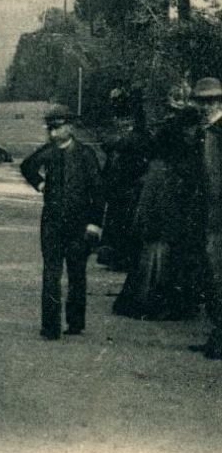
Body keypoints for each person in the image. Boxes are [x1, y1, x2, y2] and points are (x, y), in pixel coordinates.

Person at [113, 88, 204, 321]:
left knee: (154, 254)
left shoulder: (159, 163)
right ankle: (159, 302)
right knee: (163, 253)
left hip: (158, 206)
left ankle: (147, 299)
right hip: (165, 210)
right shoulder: (172, 165)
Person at [20, 103, 104, 339]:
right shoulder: (48, 152)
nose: (53, 133)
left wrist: (94, 224)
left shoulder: (86, 155)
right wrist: (40, 183)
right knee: (51, 273)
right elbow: (27, 166)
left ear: (70, 127)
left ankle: (75, 322)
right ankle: (50, 327)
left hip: (80, 224)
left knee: (77, 273)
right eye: (50, 129)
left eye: (58, 128)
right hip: (52, 223)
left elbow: (98, 192)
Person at [96, 88, 151, 271]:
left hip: (128, 183)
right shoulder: (136, 133)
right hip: (120, 182)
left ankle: (119, 256)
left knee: (121, 220)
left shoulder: (136, 136)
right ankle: (116, 255)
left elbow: (120, 144)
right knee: (118, 219)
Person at [193, 77, 222, 359]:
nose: (205, 106)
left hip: (219, 215)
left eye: (211, 101)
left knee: (218, 274)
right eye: (201, 101)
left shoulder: (218, 131)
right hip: (207, 214)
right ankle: (216, 333)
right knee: (211, 276)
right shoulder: (206, 131)